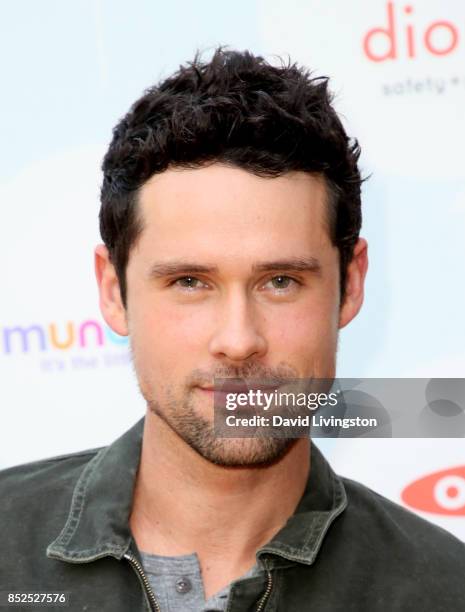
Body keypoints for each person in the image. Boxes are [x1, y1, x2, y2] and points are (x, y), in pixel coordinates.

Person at [0, 47, 464, 612]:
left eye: (281, 282)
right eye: (191, 282)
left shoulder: (443, 590)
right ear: (113, 291)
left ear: (351, 283)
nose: (240, 339)